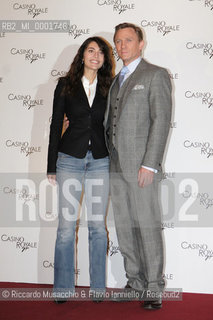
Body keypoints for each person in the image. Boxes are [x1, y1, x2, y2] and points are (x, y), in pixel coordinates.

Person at [104, 22, 172, 310]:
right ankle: (135, 281)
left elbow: (161, 121)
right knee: (124, 227)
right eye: (118, 42)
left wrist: (150, 164)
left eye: (128, 41)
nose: (122, 47)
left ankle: (154, 287)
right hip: (116, 165)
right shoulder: (114, 80)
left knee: (147, 225)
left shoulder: (155, 75)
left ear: (141, 43)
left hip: (142, 167)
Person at [47, 36, 113, 303]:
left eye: (101, 53)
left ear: (105, 60)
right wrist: (51, 165)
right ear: (82, 55)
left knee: (97, 226)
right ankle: (63, 289)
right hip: (69, 160)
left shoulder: (110, 87)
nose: (95, 56)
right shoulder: (65, 85)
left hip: (99, 161)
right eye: (91, 50)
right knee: (66, 227)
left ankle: (98, 288)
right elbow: (54, 127)